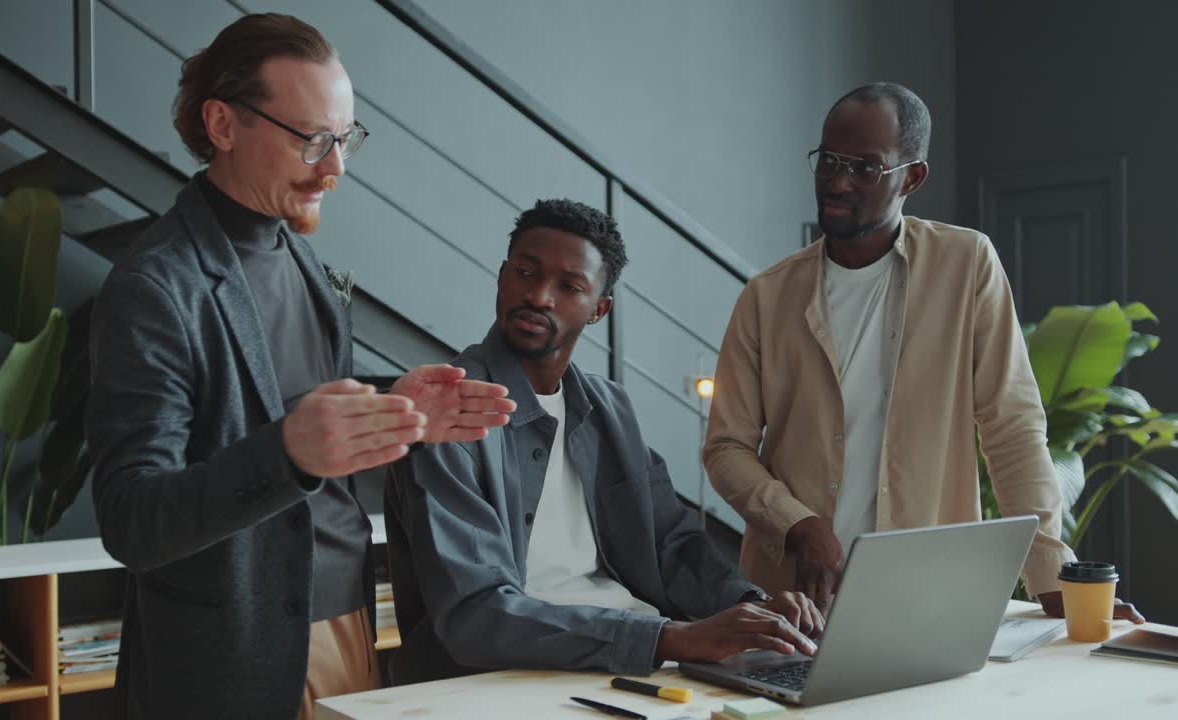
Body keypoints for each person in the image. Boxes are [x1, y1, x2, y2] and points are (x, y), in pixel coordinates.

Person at [86, 14, 515, 719]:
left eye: (345, 139)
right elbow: (132, 521)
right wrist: (287, 452)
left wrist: (392, 410)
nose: (336, 167)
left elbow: (298, 418)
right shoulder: (155, 286)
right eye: (313, 139)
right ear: (223, 124)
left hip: (347, 617)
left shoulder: (302, 258)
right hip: (233, 649)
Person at [703, 82, 1144, 624]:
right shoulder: (766, 297)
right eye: (829, 161)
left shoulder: (965, 265)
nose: (838, 181)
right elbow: (726, 449)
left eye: (866, 167)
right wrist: (799, 524)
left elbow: (1011, 425)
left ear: (912, 176)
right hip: (794, 604)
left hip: (926, 598)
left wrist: (1051, 578)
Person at [385, 199, 822, 686]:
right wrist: (670, 638)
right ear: (501, 275)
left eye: (570, 286)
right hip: (505, 676)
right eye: (525, 272)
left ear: (599, 309)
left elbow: (670, 543)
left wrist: (752, 607)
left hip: (630, 659)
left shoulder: (610, 408)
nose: (540, 296)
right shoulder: (449, 410)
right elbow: (476, 614)